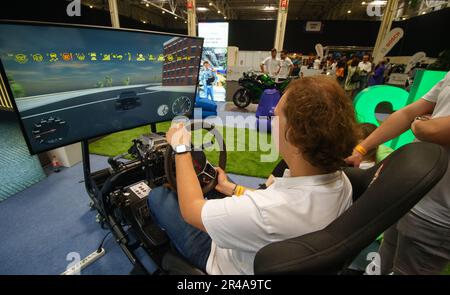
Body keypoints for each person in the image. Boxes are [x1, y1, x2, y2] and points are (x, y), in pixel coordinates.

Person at [147, 76, 360, 275]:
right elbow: (270, 206)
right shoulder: (342, 183)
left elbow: (191, 210)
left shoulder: (268, 209)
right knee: (218, 184)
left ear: (294, 135)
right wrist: (231, 188)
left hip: (222, 259)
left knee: (157, 196)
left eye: (276, 116)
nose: (272, 120)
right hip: (268, 242)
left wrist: (181, 148)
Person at [346, 71, 450, 275]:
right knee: (382, 263)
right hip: (410, 194)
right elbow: (406, 113)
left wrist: (419, 124)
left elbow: (432, 131)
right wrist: (361, 149)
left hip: (437, 213)